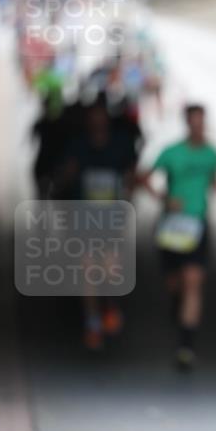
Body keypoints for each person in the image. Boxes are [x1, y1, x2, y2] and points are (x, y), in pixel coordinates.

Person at [138, 104, 216, 370]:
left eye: (201, 122)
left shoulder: (213, 155)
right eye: (193, 122)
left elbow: (214, 181)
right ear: (187, 123)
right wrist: (162, 197)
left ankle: (186, 346)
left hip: (197, 225)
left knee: (194, 281)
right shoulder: (171, 153)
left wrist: (212, 189)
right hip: (172, 225)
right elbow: (144, 177)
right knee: (175, 283)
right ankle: (176, 303)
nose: (198, 126)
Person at [58, 97, 140, 350]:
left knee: (110, 268)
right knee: (88, 271)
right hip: (84, 217)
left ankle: (110, 306)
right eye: (92, 117)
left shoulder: (120, 145)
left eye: (101, 116)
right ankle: (93, 322)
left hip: (111, 217)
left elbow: (131, 175)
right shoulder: (77, 146)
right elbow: (65, 177)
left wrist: (128, 198)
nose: (97, 122)